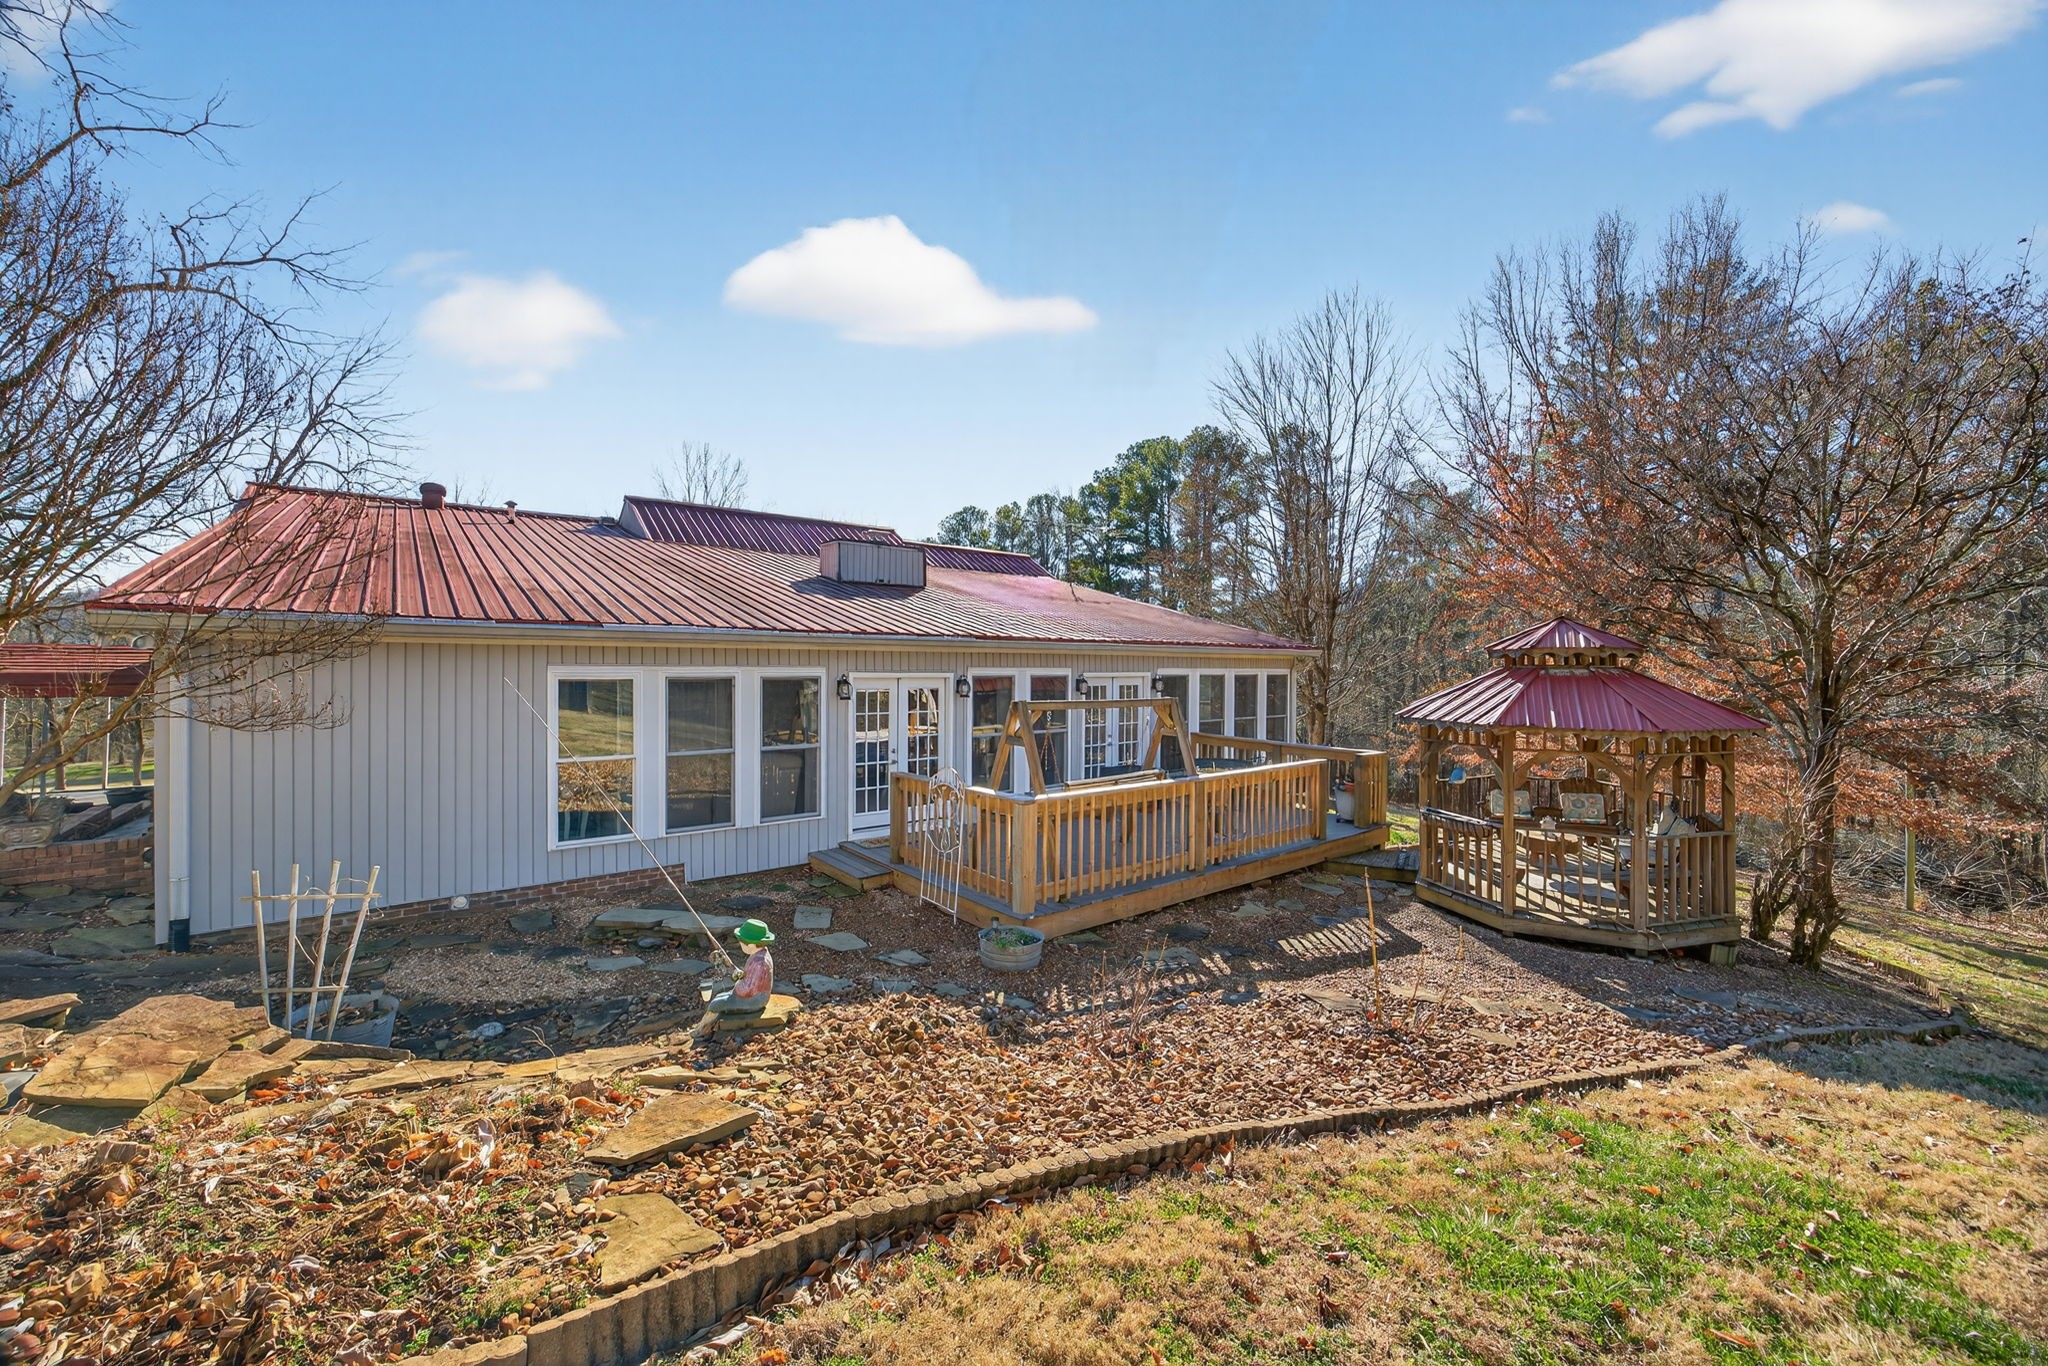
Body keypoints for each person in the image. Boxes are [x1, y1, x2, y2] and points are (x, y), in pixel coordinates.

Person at [704, 919, 775, 1017]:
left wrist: (738, 982)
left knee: (715, 1004)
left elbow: (748, 990)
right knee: (719, 997)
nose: (740, 945)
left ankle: (707, 1028)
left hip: (755, 1000)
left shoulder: (760, 963)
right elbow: (752, 980)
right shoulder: (758, 954)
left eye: (741, 944)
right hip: (753, 995)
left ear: (750, 945)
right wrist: (741, 975)